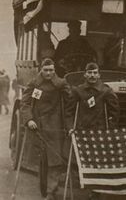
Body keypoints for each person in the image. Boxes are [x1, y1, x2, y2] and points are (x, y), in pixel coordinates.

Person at [65, 62, 120, 200]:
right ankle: (86, 185)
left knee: (98, 162)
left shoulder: (106, 91)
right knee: (83, 162)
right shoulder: (78, 91)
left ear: (99, 74)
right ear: (85, 74)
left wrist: (111, 129)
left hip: (99, 132)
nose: (92, 75)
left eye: (95, 73)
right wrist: (70, 127)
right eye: (89, 73)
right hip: (82, 131)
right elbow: (69, 112)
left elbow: (115, 111)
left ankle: (95, 192)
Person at [20, 58, 72, 200]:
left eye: (51, 70)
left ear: (54, 70)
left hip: (54, 125)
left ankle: (51, 191)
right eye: (45, 70)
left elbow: (70, 104)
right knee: (41, 159)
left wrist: (69, 125)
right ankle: (44, 189)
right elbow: (25, 103)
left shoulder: (61, 83)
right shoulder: (34, 83)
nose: (48, 73)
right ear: (41, 70)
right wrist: (29, 119)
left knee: (54, 159)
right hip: (37, 125)